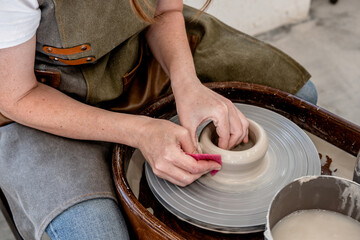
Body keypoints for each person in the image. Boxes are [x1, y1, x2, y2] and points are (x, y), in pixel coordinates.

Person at [0, 0, 317, 239]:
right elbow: (16, 95)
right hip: (44, 95)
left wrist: (188, 86)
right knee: (93, 231)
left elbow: (164, 11)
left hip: (135, 52)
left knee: (299, 98)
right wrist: (141, 132)